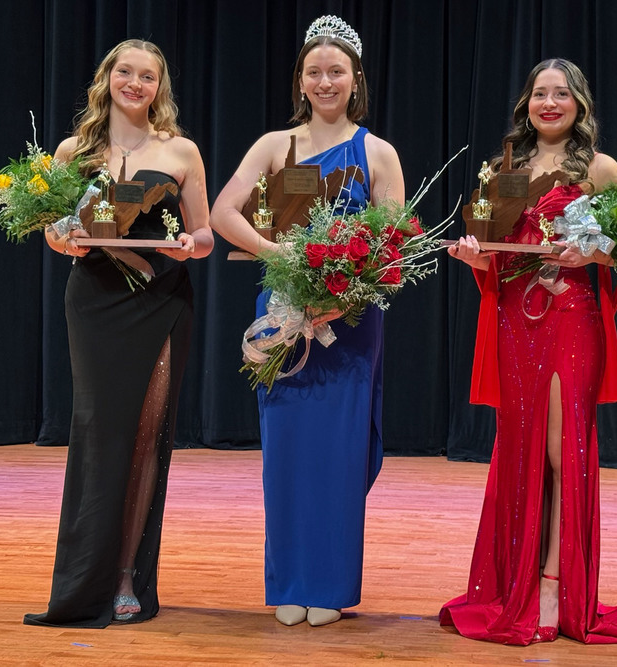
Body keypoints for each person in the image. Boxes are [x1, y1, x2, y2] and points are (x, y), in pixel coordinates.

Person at [209, 15, 404, 628]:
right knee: (287, 453)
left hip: (348, 324)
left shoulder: (378, 152)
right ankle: (290, 581)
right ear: (300, 79)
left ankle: (331, 584)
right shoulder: (274, 145)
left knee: (340, 455)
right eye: (314, 71)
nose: (325, 81)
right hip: (285, 317)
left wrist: (345, 297)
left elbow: (394, 243)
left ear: (355, 79)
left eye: (336, 71)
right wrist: (279, 254)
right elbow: (222, 211)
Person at [440, 58, 617, 645]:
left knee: (561, 449)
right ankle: (515, 580)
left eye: (561, 94)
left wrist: (593, 254)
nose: (548, 103)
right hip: (513, 320)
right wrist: (474, 254)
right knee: (520, 445)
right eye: (538, 94)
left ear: (580, 103)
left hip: (571, 318)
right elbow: (493, 253)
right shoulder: (504, 169)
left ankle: (555, 581)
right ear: (525, 103)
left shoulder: (601, 170)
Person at [24, 39, 213, 627]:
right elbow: (54, 235)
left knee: (145, 436)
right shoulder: (72, 151)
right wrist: (61, 235)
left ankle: (129, 575)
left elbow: (205, 236)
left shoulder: (181, 150)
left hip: (161, 302)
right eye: (126, 73)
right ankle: (85, 578)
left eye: (148, 76)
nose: (136, 84)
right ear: (107, 79)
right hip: (96, 300)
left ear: (160, 87)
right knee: (99, 434)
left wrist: (188, 245)